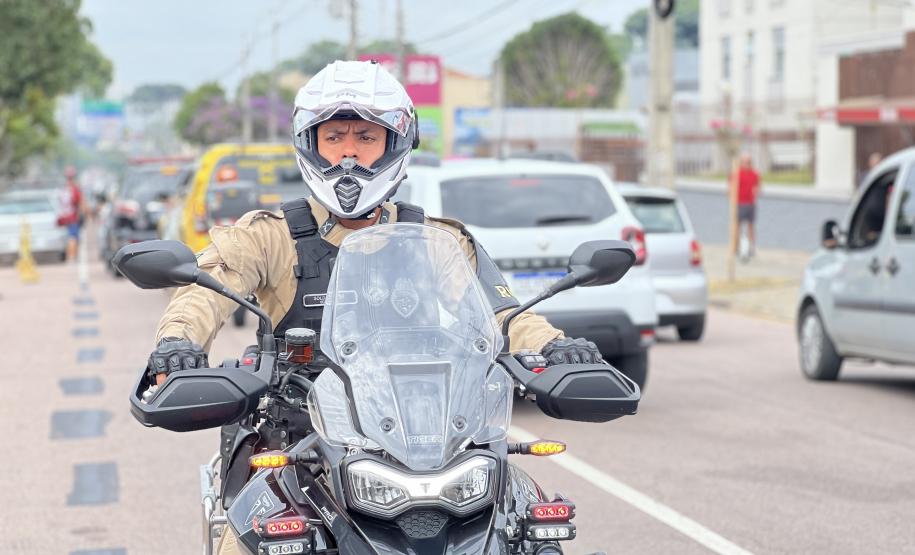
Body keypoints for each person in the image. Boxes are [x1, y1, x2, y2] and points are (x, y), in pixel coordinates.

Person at [735, 154, 760, 261]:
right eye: (744, 162)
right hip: (740, 203)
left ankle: (751, 247)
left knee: (751, 226)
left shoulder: (754, 174)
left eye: (748, 162)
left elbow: (758, 187)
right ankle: (736, 246)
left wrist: (756, 192)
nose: (746, 164)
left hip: (750, 203)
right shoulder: (737, 174)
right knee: (737, 226)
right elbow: (731, 188)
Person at [59, 166, 84, 262]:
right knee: (73, 237)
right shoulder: (75, 189)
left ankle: (71, 255)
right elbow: (80, 203)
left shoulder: (62, 189)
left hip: (62, 217)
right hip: (73, 217)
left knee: (68, 236)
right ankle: (72, 256)